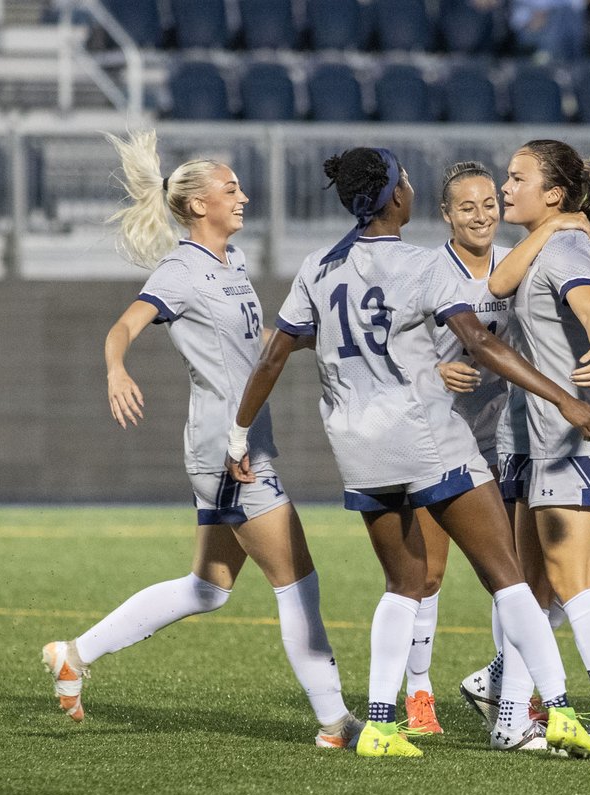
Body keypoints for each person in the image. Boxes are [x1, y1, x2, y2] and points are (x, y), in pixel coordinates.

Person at [225, 146, 590, 760]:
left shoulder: (317, 268)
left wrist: (238, 434)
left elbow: (273, 356)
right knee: (508, 578)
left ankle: (378, 722)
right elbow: (479, 342)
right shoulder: (423, 265)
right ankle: (558, 711)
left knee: (402, 584)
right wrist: (566, 399)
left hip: (359, 447)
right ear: (394, 199)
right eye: (404, 180)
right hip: (430, 439)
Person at [39, 131, 360, 750]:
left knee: (208, 587)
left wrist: (308, 340)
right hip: (229, 450)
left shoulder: (231, 263)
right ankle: (335, 723)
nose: (242, 196)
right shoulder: (181, 270)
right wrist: (116, 369)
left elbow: (253, 337)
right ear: (197, 206)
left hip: (236, 442)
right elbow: (122, 327)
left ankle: (74, 654)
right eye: (230, 188)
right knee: (298, 578)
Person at [462, 140, 590, 758]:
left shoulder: (568, 246)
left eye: (518, 178)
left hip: (575, 436)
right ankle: (512, 717)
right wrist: (555, 223)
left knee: (574, 581)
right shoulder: (548, 239)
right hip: (540, 436)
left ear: (555, 192)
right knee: (527, 585)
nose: (504, 187)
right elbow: (499, 280)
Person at [397, 160, 514, 738]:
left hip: (505, 439)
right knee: (429, 572)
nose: (480, 216)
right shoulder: (422, 271)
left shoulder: (517, 264)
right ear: (445, 215)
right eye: (466, 207)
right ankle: (418, 694)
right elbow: (389, 354)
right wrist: (435, 370)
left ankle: (506, 690)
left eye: (489, 203)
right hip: (436, 438)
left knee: (509, 575)